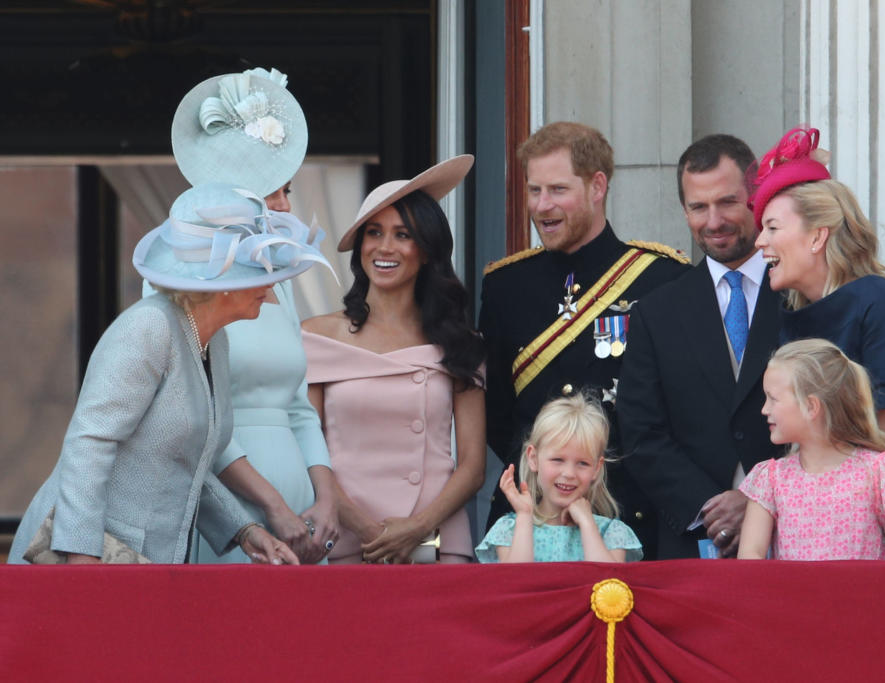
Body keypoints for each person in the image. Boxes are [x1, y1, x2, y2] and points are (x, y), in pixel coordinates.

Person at [8, 183, 310, 565]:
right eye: (259, 268)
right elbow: (90, 442)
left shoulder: (214, 341)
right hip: (86, 557)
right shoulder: (149, 327)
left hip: (141, 566)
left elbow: (185, 461)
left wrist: (244, 530)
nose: (272, 281)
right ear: (220, 284)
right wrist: (81, 560)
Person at [751, 126, 885, 558]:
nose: (759, 242)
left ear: (817, 236)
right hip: (822, 531)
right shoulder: (788, 313)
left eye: (772, 227)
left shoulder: (876, 301)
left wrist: (816, 508)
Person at [479, 121, 689, 552]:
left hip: (625, 511)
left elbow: (678, 406)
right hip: (530, 515)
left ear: (597, 186)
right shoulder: (505, 285)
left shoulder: (660, 278)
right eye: (534, 190)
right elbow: (497, 413)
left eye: (557, 190)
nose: (542, 205)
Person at [169, 67, 339, 564]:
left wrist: (326, 499)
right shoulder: (184, 276)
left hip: (301, 516)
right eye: (275, 192)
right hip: (231, 513)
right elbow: (196, 415)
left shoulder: (275, 285)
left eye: (289, 190)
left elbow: (298, 407)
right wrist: (271, 506)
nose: (286, 205)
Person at [301, 156, 486, 564]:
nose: (385, 247)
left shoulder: (460, 343)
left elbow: (472, 466)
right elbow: (306, 449)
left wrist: (417, 528)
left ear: (426, 251)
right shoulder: (316, 336)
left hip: (435, 542)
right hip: (344, 539)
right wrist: (370, 532)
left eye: (403, 235)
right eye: (374, 233)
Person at [616, 134, 783, 559]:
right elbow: (640, 432)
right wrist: (712, 507)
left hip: (799, 531)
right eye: (698, 207)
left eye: (727, 202)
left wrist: (761, 501)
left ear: (756, 197)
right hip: (695, 541)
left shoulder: (801, 293)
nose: (713, 221)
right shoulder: (657, 312)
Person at [738, 339, 885, 560]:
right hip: (793, 596)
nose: (764, 409)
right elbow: (750, 557)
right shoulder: (769, 479)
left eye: (773, 399)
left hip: (866, 596)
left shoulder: (879, 472)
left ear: (811, 406)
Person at [476, 393, 642, 562]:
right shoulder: (509, 530)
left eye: (582, 463)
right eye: (557, 460)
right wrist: (525, 517)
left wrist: (587, 523)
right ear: (533, 459)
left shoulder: (611, 533)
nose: (569, 473)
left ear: (597, 468)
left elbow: (608, 583)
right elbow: (517, 583)